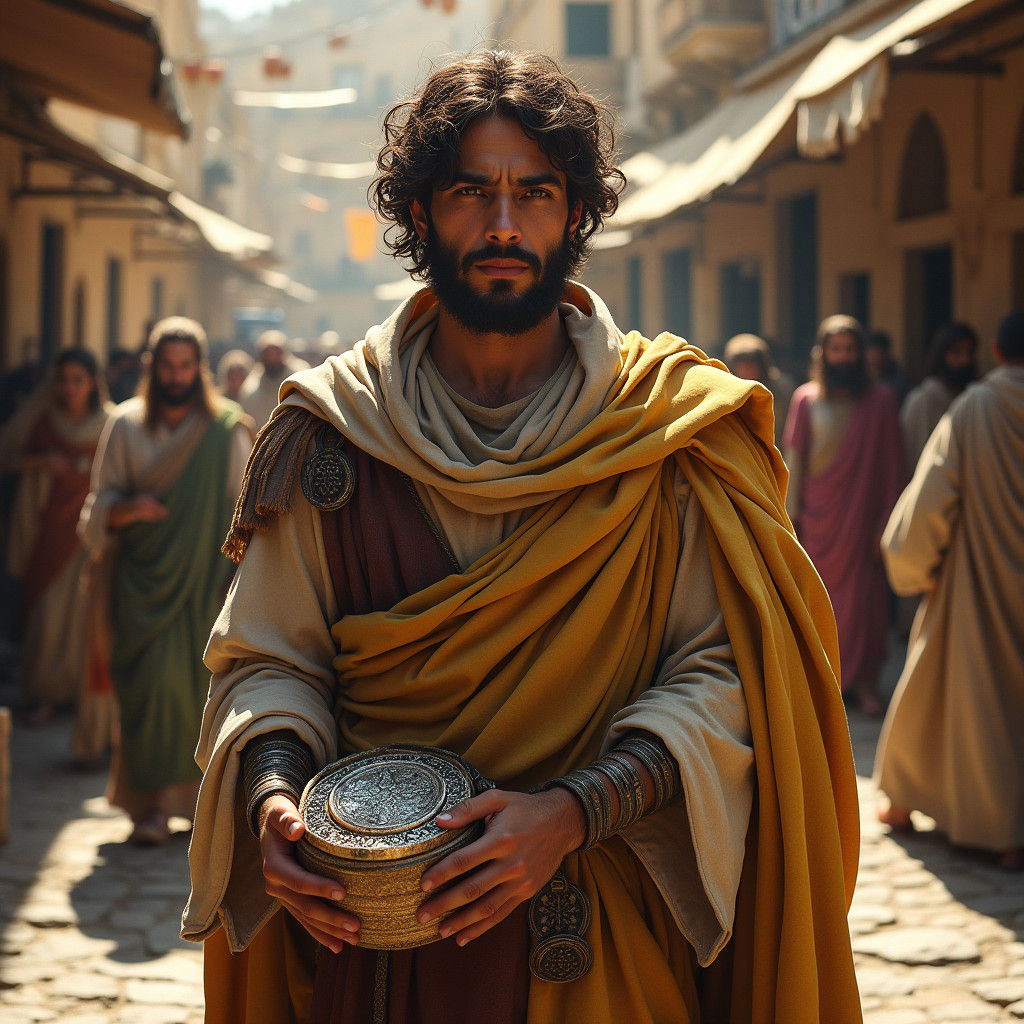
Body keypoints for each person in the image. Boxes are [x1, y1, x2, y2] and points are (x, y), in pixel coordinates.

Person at [182, 51, 861, 1023]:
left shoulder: (666, 431)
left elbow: (724, 676)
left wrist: (573, 812)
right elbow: (267, 660)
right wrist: (272, 795)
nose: (503, 224)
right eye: (471, 192)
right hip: (380, 947)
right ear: (421, 213)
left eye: (534, 193)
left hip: (598, 942)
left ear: (574, 214)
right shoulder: (331, 435)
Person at [79, 317, 252, 845]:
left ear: (199, 369)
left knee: (196, 693)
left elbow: (247, 512)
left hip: (205, 586)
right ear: (152, 368)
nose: (176, 376)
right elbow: (97, 507)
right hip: (139, 585)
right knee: (148, 688)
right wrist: (128, 508)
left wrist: (240, 582)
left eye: (185, 366)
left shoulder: (226, 428)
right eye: (167, 366)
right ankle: (149, 808)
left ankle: (196, 805)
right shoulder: (126, 425)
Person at [875, 310, 1024, 871]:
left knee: (956, 690)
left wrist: (913, 568)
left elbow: (931, 498)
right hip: (983, 577)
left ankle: (993, 827)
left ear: (997, 351)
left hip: (979, 582)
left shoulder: (975, 408)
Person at [784, 315, 906, 715]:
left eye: (850, 349)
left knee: (866, 605)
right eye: (836, 349)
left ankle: (865, 684)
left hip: (863, 522)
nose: (844, 356)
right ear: (823, 354)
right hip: (818, 523)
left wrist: (886, 522)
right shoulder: (805, 399)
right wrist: (790, 519)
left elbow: (893, 467)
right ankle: (825, 684)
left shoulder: (881, 402)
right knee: (818, 604)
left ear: (861, 354)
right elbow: (795, 461)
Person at [1, 350, 113, 748]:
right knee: (46, 616)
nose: (69, 388)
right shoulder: (42, 420)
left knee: (84, 617)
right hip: (46, 530)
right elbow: (8, 455)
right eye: (63, 379)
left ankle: (78, 696)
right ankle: (44, 694)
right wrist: (41, 462)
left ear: (93, 382)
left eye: (78, 380)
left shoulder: (111, 423)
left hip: (91, 536)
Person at [900, 321, 978, 467]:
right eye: (957, 353)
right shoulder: (922, 401)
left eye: (969, 353)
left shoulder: (976, 402)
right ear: (942, 356)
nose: (964, 360)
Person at [722, 332, 795, 446]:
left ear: (762, 365)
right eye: (742, 364)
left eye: (751, 363)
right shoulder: (723, 391)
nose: (747, 369)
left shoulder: (781, 389)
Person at [238, 329, 309, 427]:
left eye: (276, 352)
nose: (272, 358)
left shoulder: (301, 377)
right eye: (268, 353)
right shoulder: (251, 388)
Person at [865, 329, 911, 406]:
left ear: (886, 354)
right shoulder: (862, 380)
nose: (875, 358)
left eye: (878, 354)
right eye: (871, 354)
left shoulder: (899, 384)